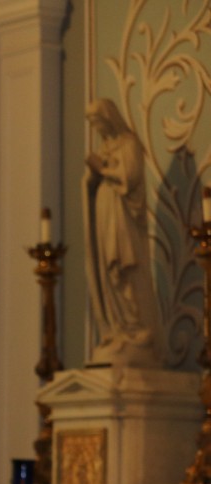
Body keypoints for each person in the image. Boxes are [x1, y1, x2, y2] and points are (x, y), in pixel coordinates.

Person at [82, 97, 162, 367]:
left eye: (98, 121)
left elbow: (130, 177)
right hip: (105, 211)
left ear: (108, 118)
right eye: (92, 124)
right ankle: (119, 328)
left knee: (124, 268)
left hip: (122, 216)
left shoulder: (129, 143)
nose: (96, 128)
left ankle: (136, 327)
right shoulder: (106, 147)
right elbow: (94, 181)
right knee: (109, 271)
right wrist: (92, 179)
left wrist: (102, 169)